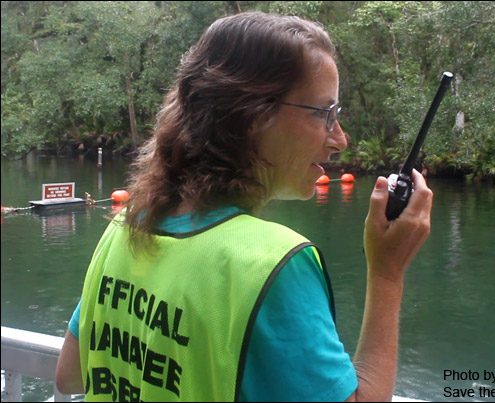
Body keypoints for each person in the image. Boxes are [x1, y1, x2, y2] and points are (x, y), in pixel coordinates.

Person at [55, 11, 433, 402]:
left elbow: (70, 377)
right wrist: (387, 273)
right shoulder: (273, 264)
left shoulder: (125, 228)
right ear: (253, 115)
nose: (340, 139)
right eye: (325, 114)